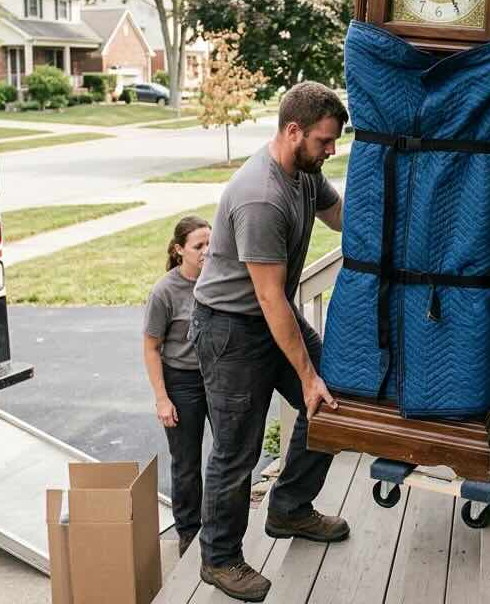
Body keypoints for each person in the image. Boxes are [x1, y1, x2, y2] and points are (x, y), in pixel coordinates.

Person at [190, 81, 348, 602]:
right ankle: (219, 559)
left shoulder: (304, 173)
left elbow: (341, 217)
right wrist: (306, 375)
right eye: (325, 142)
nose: (331, 151)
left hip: (267, 315)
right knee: (238, 449)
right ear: (292, 130)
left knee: (335, 399)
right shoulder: (260, 196)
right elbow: (270, 299)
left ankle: (289, 508)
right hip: (231, 328)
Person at [143, 215, 212, 558]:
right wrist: (162, 399)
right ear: (179, 250)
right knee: (186, 462)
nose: (206, 251)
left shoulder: (219, 280)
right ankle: (189, 531)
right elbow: (151, 348)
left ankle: (220, 524)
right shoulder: (164, 292)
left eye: (210, 244)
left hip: (217, 377)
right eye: (199, 246)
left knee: (231, 451)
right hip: (181, 382)